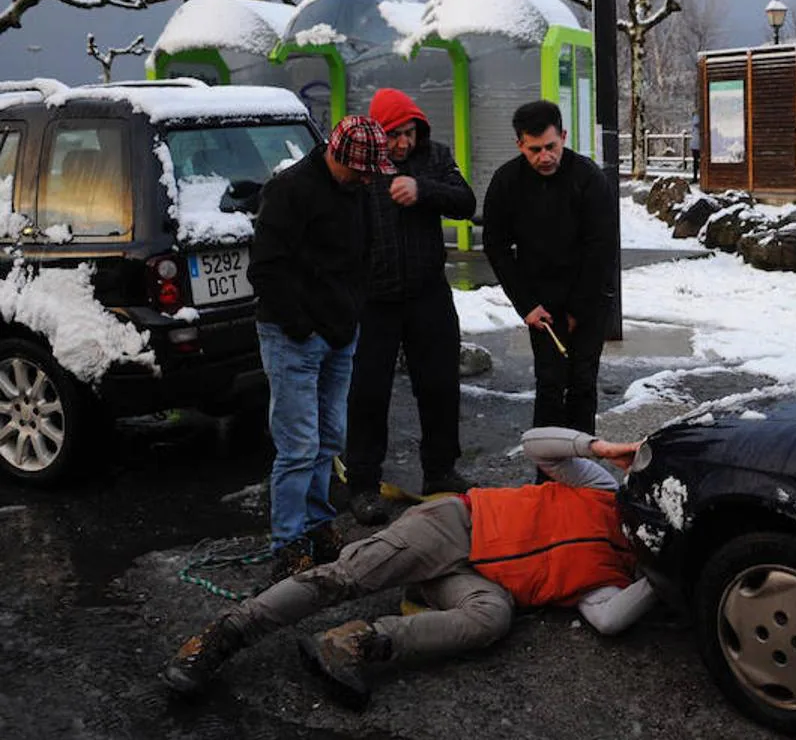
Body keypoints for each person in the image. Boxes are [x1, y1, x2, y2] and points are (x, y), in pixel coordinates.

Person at [160, 427, 657, 711]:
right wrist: (598, 449)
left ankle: (352, 644)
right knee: (344, 575)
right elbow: (535, 444)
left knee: (493, 619)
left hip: (479, 584)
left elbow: (609, 619)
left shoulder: (619, 577)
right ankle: (221, 637)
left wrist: (664, 575)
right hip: (455, 524)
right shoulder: (600, 488)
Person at [248, 115, 394, 582]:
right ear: (337, 155)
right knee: (297, 445)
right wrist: (300, 325)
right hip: (294, 336)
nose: (369, 179)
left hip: (340, 331)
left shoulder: (359, 190)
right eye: (362, 170)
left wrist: (353, 309)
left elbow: (367, 252)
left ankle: (317, 524)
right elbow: (266, 269)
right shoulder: (290, 191)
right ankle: (287, 544)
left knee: (330, 439)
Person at [345, 88, 478, 527]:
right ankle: (363, 484)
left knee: (439, 385)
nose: (403, 143)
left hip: (427, 293)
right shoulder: (363, 166)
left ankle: (441, 470)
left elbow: (465, 203)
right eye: (394, 134)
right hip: (374, 298)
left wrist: (424, 190)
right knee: (368, 393)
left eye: (409, 133)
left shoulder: (434, 157)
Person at [482, 100, 618, 448]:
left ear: (564, 137)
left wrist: (577, 310)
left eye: (551, 147)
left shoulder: (588, 178)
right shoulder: (507, 181)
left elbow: (600, 248)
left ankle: (584, 472)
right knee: (550, 383)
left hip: (588, 295)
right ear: (520, 145)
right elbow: (496, 246)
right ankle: (548, 475)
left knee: (583, 382)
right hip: (540, 300)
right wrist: (525, 304)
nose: (545, 157)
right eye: (535, 149)